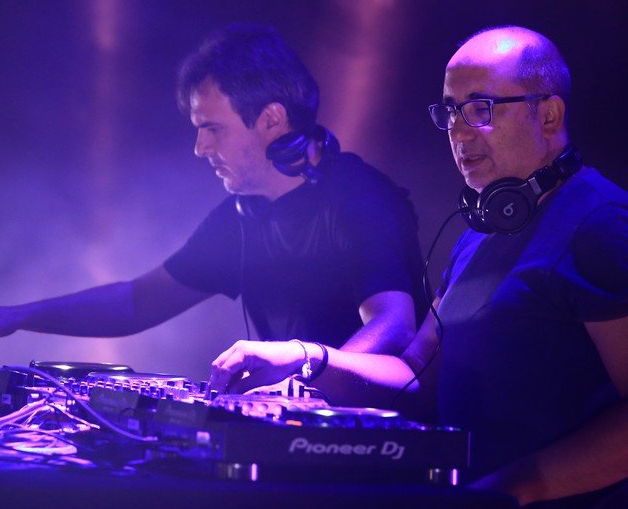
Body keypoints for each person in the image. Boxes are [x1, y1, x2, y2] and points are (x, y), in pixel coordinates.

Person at [208, 26, 628, 506]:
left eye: (480, 108)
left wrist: (509, 489)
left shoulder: (600, 224)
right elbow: (413, 375)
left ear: (549, 115)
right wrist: (306, 359)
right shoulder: (483, 231)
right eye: (450, 111)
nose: (459, 131)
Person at [0, 24, 425, 369]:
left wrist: (300, 385)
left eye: (213, 129)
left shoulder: (357, 198)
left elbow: (394, 325)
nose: (200, 148)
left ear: (272, 120)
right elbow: (137, 303)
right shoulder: (244, 214)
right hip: (292, 433)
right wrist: (19, 316)